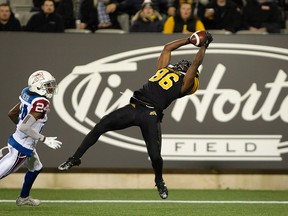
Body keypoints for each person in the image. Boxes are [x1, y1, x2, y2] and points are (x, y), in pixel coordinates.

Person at [58, 31, 213, 199]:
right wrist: (189, 40)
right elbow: (167, 48)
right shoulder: (164, 70)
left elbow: (196, 63)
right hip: (134, 106)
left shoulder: (185, 84)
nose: (184, 64)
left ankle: (159, 180)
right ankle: (74, 158)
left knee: (154, 155)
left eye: (187, 66)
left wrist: (203, 46)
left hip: (151, 114)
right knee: (101, 126)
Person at [0, 70, 62, 206]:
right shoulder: (41, 102)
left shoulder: (27, 92)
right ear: (38, 86)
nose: (51, 87)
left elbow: (12, 114)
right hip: (21, 148)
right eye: (47, 85)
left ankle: (24, 197)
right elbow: (24, 127)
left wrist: (24, 130)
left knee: (36, 167)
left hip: (23, 142)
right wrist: (44, 139)